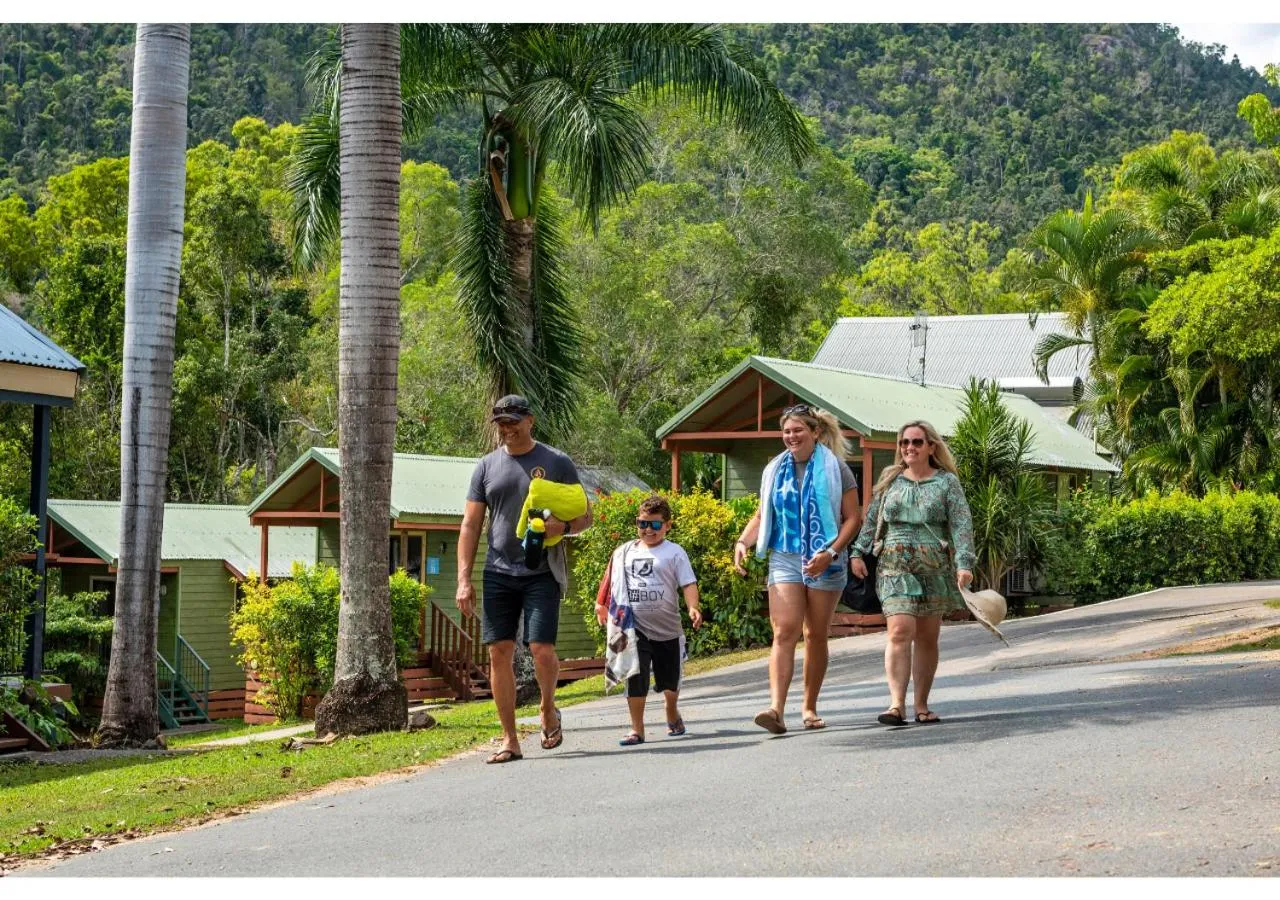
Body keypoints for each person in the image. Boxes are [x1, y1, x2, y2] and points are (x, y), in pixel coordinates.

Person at [457, 394, 592, 764]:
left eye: (513, 420)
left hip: (541, 570)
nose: (507, 428)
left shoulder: (556, 462)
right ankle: (509, 738)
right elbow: (470, 525)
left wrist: (561, 527)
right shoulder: (486, 467)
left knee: (540, 648)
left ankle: (548, 708)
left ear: (530, 420)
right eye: (501, 422)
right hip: (498, 570)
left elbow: (585, 517)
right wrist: (463, 578)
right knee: (498, 650)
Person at [733, 404, 862, 734]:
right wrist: (743, 543)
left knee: (815, 633)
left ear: (815, 432)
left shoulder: (837, 470)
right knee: (784, 630)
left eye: (798, 431)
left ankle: (809, 707)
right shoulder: (774, 470)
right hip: (785, 556)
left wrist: (831, 552)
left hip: (825, 557)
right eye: (787, 431)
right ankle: (776, 708)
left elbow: (853, 519)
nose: (791, 436)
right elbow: (763, 515)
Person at [850, 420, 975, 727]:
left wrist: (964, 563)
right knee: (899, 631)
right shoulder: (890, 479)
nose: (909, 448)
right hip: (894, 563)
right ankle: (896, 705)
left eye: (917, 442)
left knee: (928, 637)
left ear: (931, 446)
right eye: (905, 442)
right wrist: (857, 551)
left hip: (933, 566)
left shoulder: (947, 483)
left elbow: (961, 523)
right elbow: (872, 518)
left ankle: (921, 704)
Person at [596, 495, 702, 746]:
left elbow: (688, 583)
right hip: (634, 628)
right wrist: (601, 604)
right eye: (642, 524)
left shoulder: (675, 553)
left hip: (668, 629)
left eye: (655, 525)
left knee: (670, 680)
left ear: (667, 525)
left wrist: (693, 607)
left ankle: (671, 710)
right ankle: (637, 729)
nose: (648, 530)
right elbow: (610, 579)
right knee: (636, 676)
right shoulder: (624, 552)